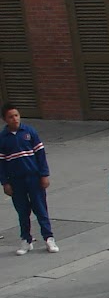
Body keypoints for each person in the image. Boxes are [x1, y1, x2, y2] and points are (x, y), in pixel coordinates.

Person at [1, 103, 56, 254]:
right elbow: (2, 164)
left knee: (40, 208)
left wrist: (44, 174)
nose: (15, 119)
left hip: (33, 178)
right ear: (5, 119)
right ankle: (26, 240)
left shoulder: (29, 132)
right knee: (22, 211)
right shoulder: (3, 139)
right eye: (11, 117)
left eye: (16, 115)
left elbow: (40, 155)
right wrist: (5, 183)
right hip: (16, 181)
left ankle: (49, 238)